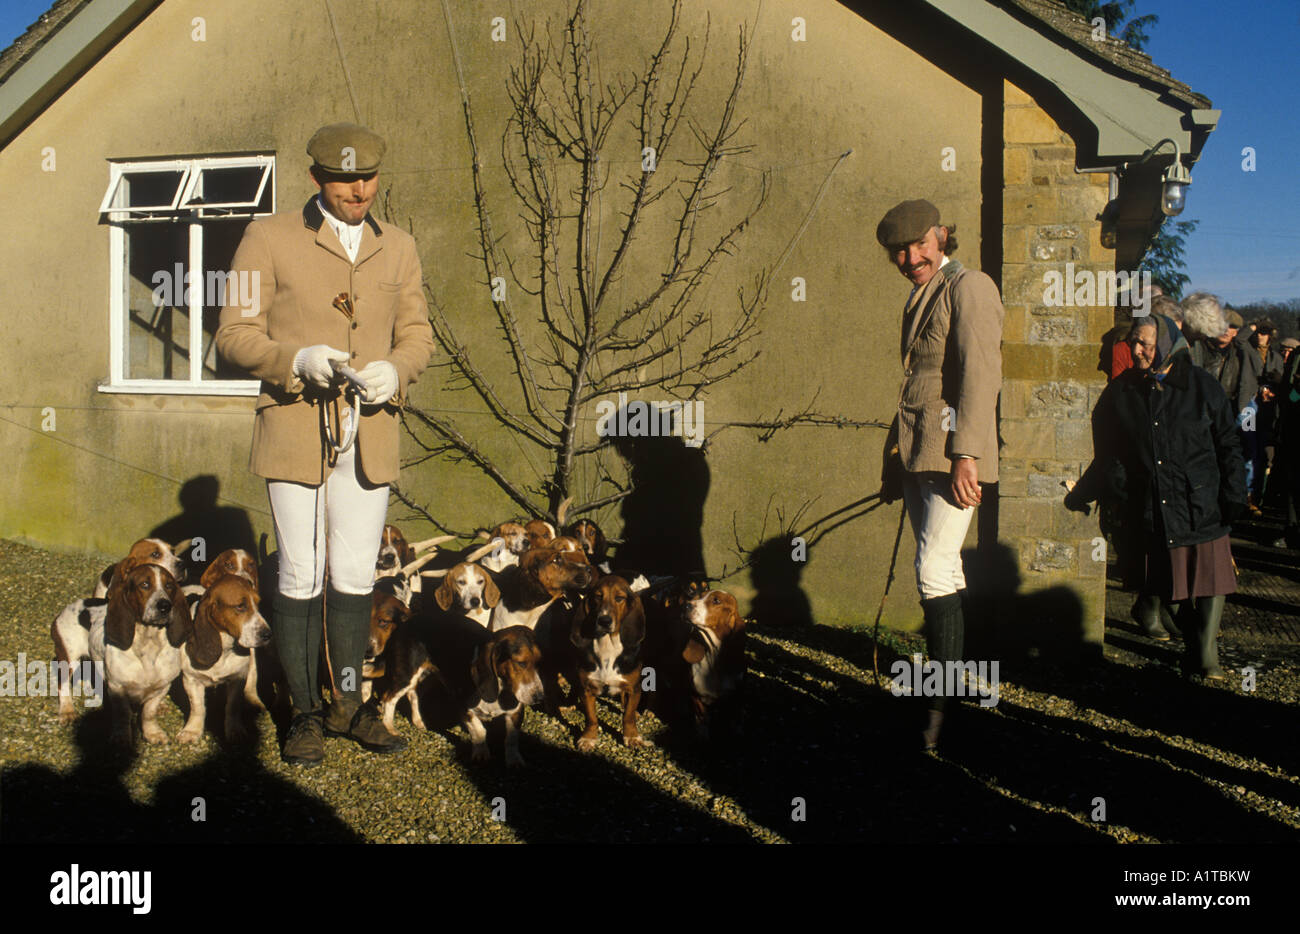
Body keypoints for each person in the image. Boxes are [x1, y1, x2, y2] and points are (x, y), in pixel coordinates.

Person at [216, 123, 436, 765]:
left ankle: (348, 705)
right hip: (295, 428)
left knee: (353, 574)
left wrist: (396, 369)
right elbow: (232, 334)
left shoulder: (398, 246)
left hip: (369, 432)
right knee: (302, 571)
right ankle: (304, 715)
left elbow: (418, 333)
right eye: (344, 180)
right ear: (316, 179)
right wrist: (295, 358)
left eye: (368, 177)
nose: (358, 189)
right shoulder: (268, 235)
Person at [876, 199, 1003, 750]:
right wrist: (893, 460)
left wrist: (968, 453)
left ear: (942, 236)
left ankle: (940, 702)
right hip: (918, 454)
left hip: (953, 454)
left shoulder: (970, 286)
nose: (910, 258)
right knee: (940, 567)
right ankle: (952, 696)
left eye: (918, 245)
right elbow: (913, 386)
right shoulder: (916, 295)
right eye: (899, 251)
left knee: (932, 566)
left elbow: (980, 373)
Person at [1066, 315, 1245, 680]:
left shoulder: (1202, 386)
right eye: (1134, 342)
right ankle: (1195, 647)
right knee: (1168, 586)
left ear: (1167, 344)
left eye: (1145, 343)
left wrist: (1235, 493)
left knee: (1212, 583)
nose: (1136, 350)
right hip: (1153, 505)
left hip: (1202, 502)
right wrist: (1088, 493)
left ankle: (1206, 656)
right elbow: (1109, 455)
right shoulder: (1121, 393)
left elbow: (1228, 444)